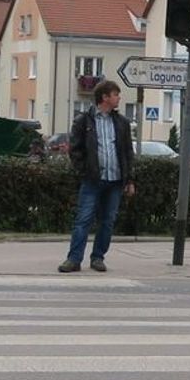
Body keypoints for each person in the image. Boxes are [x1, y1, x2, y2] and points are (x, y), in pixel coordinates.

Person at [58, 79, 136, 273]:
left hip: (115, 180)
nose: (119, 98)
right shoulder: (84, 121)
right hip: (93, 180)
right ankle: (74, 259)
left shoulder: (121, 123)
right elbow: (75, 150)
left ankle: (98, 258)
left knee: (108, 221)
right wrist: (84, 170)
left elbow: (128, 152)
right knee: (83, 219)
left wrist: (129, 179)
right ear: (105, 97)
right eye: (115, 95)